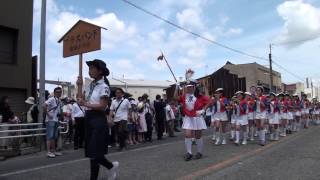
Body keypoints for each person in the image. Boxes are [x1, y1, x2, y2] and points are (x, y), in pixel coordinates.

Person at [77, 59, 119, 180]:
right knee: (91, 153)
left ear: (100, 71)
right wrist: (79, 86)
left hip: (98, 119)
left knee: (95, 153)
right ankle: (111, 166)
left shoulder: (104, 87)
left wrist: (85, 103)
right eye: (89, 69)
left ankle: (102, 172)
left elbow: (102, 106)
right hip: (89, 118)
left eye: (92, 68)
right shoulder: (91, 85)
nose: (89, 71)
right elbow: (80, 100)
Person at [174, 69, 211, 161]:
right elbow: (175, 98)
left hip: (197, 118)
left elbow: (210, 101)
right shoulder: (184, 96)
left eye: (191, 87)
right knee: (187, 135)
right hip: (188, 118)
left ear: (194, 87)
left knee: (198, 136)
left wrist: (203, 110)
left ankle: (199, 152)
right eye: (187, 87)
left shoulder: (200, 96)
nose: (189, 88)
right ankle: (189, 153)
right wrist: (176, 87)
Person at [43, 87, 63, 158]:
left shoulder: (59, 100)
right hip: (50, 120)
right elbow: (44, 105)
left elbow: (58, 110)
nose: (59, 93)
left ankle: (54, 151)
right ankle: (48, 151)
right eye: (57, 92)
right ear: (54, 93)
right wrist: (48, 115)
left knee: (54, 136)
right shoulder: (51, 99)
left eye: (60, 92)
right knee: (50, 136)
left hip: (56, 120)